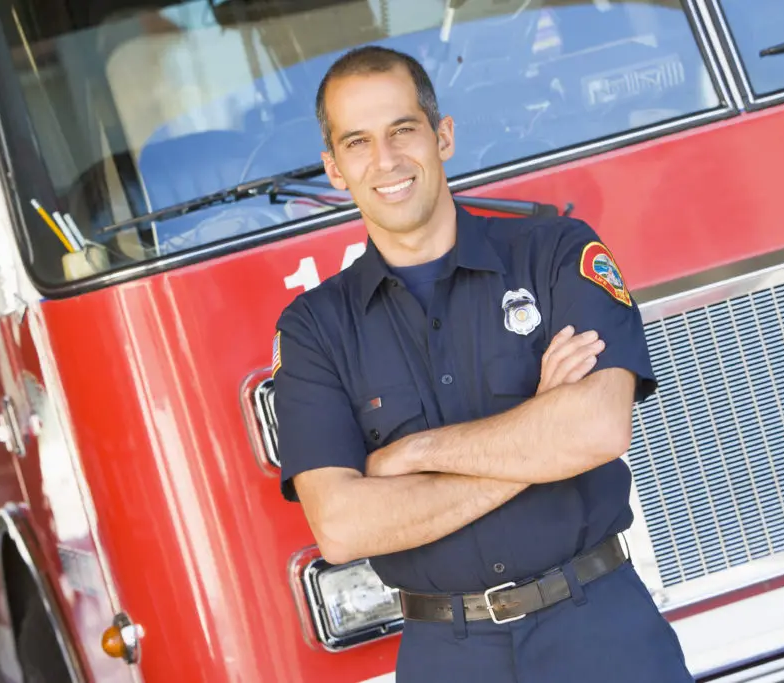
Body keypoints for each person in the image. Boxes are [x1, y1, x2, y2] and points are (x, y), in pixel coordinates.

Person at [271, 45, 693, 682]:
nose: (385, 161)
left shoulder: (555, 253)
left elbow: (596, 431)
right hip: (449, 655)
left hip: (601, 632)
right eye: (357, 142)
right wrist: (537, 430)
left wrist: (412, 455)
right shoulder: (314, 330)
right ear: (334, 168)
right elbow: (343, 526)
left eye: (402, 130)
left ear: (442, 136)